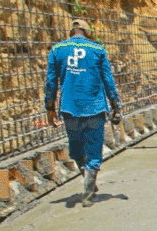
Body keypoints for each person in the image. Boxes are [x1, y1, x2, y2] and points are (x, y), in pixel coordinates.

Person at [45, 18, 121, 207]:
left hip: (70, 108)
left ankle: (88, 183)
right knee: (94, 149)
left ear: (71, 33)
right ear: (88, 33)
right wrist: (116, 104)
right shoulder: (97, 50)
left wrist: (50, 108)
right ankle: (87, 193)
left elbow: (50, 82)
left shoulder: (56, 50)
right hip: (94, 107)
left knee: (77, 148)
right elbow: (108, 80)